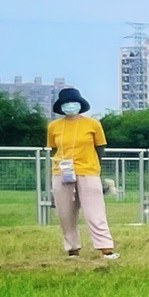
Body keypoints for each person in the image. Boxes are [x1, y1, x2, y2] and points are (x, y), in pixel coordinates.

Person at [46, 87, 120, 262]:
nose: (70, 106)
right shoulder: (54, 126)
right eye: (66, 104)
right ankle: (72, 250)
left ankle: (106, 249)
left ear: (80, 104)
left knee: (95, 212)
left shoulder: (92, 124)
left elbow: (100, 147)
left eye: (73, 103)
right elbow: (53, 149)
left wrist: (95, 166)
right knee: (65, 213)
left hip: (87, 171)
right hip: (62, 172)